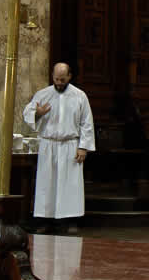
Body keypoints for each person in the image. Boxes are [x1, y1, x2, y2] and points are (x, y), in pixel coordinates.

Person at [23, 62, 95, 234]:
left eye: (63, 79)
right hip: (49, 144)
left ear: (70, 76)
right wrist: (38, 113)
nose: (59, 83)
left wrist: (83, 147)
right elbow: (27, 113)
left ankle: (69, 221)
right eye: (56, 79)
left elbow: (86, 123)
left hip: (70, 144)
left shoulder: (79, 96)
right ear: (52, 76)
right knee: (47, 184)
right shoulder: (43, 94)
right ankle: (44, 221)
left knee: (69, 185)